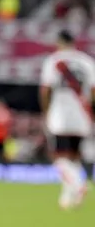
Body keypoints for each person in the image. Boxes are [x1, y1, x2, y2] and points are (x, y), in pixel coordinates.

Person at [39, 29, 95, 210]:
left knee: (58, 157)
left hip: (60, 115)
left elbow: (46, 90)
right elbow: (94, 92)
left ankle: (79, 185)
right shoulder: (87, 61)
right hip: (82, 115)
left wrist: (46, 111)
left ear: (59, 42)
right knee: (74, 157)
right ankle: (68, 196)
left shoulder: (54, 61)